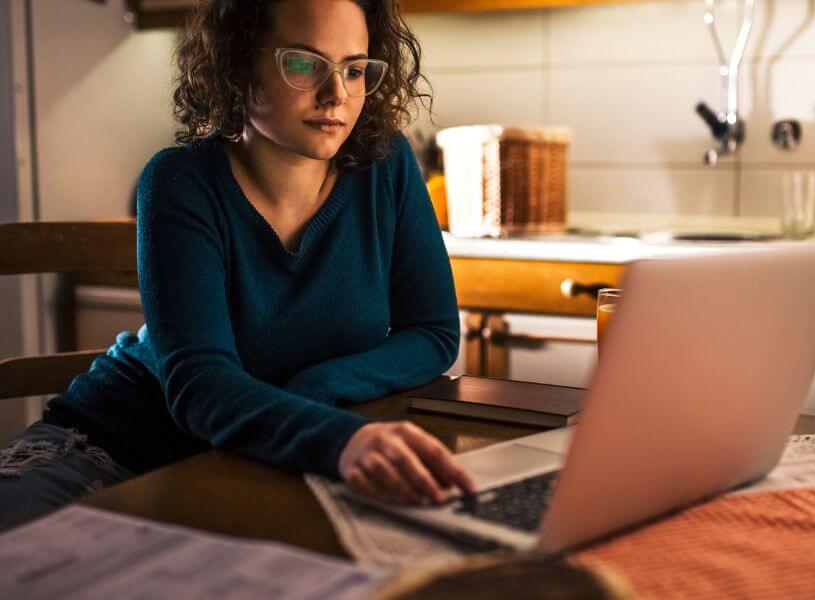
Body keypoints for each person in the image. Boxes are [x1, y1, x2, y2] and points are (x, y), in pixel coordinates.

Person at [0, 0, 474, 530]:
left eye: (355, 68)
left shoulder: (386, 166)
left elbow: (431, 332)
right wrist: (339, 438)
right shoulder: (180, 182)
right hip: (114, 448)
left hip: (263, 455)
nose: (337, 93)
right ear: (239, 63)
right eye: (304, 64)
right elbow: (200, 384)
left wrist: (318, 389)